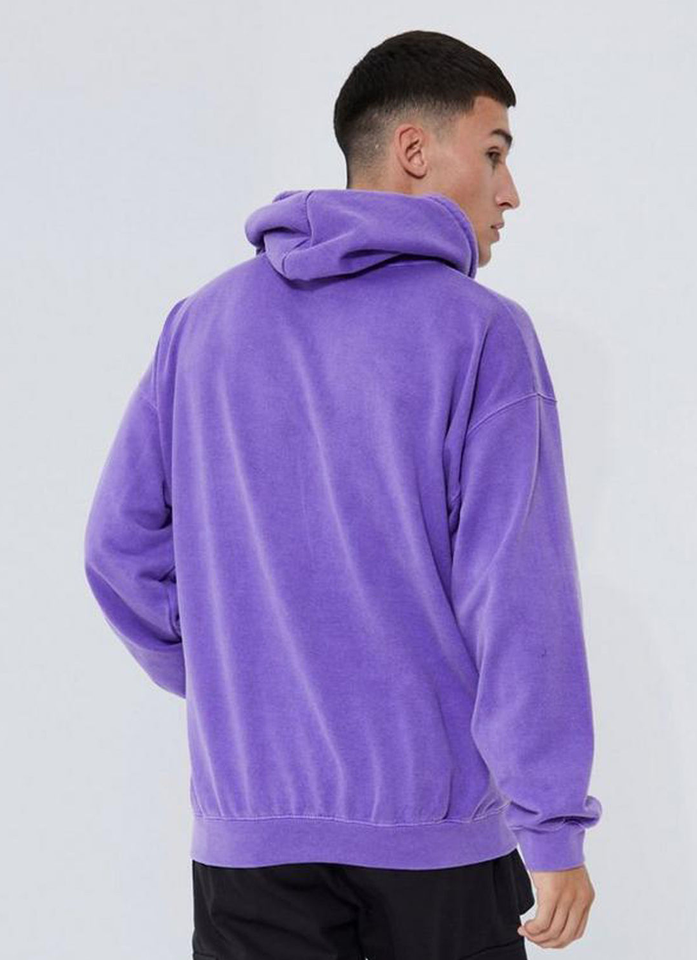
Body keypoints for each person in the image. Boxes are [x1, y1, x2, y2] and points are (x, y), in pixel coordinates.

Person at [83, 28, 602, 958]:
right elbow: (519, 597)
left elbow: (117, 552)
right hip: (435, 841)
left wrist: (240, 680)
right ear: (414, 149)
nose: (510, 192)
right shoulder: (482, 335)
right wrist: (552, 824)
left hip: (250, 840)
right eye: (494, 154)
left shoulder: (203, 324)